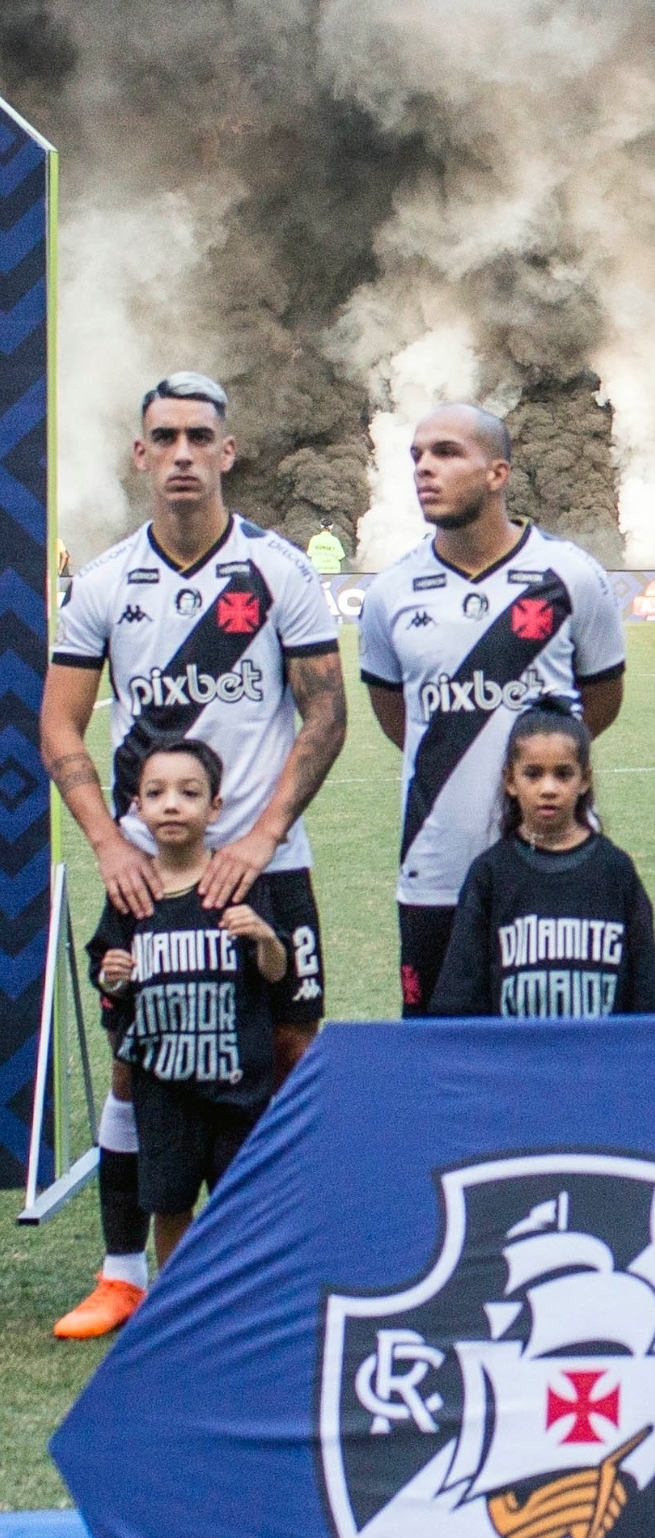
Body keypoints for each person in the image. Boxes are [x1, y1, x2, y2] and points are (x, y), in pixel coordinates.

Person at [42, 373, 344, 1341]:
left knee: (291, 1052)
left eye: (198, 435)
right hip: (150, 869)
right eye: (163, 435)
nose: (180, 451)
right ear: (141, 454)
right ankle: (124, 1270)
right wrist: (106, 844)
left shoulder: (277, 569)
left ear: (227, 450)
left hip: (267, 862)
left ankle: (285, 1261)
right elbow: (57, 726)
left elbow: (328, 715)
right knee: (140, 1061)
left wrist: (258, 837)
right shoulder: (104, 584)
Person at [358, 406, 626, 1016]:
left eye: (447, 453)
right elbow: (397, 715)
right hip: (435, 864)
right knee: (438, 1049)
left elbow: (601, 701)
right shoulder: (390, 592)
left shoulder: (571, 576)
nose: (426, 468)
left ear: (497, 472)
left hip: (555, 859)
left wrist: (543, 766)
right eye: (418, 456)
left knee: (563, 1040)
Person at [85, 739, 308, 1274]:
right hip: (164, 1090)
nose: (171, 804)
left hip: (237, 1085)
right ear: (136, 806)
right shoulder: (130, 895)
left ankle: (246, 1301)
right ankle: (177, 1306)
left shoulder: (237, 885)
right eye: (156, 792)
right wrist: (114, 979)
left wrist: (263, 938)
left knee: (243, 1204)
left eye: (189, 793)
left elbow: (278, 974)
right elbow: (110, 985)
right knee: (171, 1204)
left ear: (215, 808)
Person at [431, 698, 655, 1019]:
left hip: (597, 1062)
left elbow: (648, 996)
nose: (548, 788)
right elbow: (458, 1001)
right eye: (533, 774)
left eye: (563, 774)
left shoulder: (614, 871)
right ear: (510, 780)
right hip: (517, 1063)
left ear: (584, 780)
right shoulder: (490, 874)